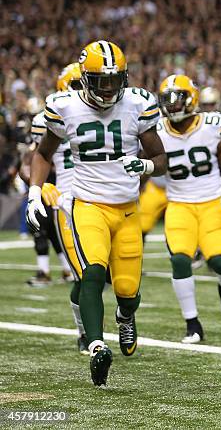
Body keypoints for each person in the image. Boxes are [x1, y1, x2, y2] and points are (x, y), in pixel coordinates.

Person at [26, 40, 167, 386]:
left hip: (128, 209)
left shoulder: (137, 104)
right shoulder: (65, 107)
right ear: (85, 79)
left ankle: (125, 315)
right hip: (87, 206)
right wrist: (33, 193)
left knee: (128, 290)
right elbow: (42, 154)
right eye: (101, 81)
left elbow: (162, 161)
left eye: (114, 80)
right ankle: (96, 346)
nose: (108, 88)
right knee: (92, 273)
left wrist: (146, 164)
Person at [157, 74, 221, 343]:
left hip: (210, 202)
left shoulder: (213, 125)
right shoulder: (156, 131)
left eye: (176, 98)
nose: (171, 105)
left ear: (191, 98)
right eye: (166, 100)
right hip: (179, 204)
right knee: (180, 260)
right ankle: (192, 323)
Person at [22, 63, 89, 353]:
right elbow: (38, 158)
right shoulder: (48, 118)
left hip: (103, 198)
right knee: (84, 274)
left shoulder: (110, 111)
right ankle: (86, 332)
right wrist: (41, 187)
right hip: (67, 200)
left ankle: (123, 320)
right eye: (78, 84)